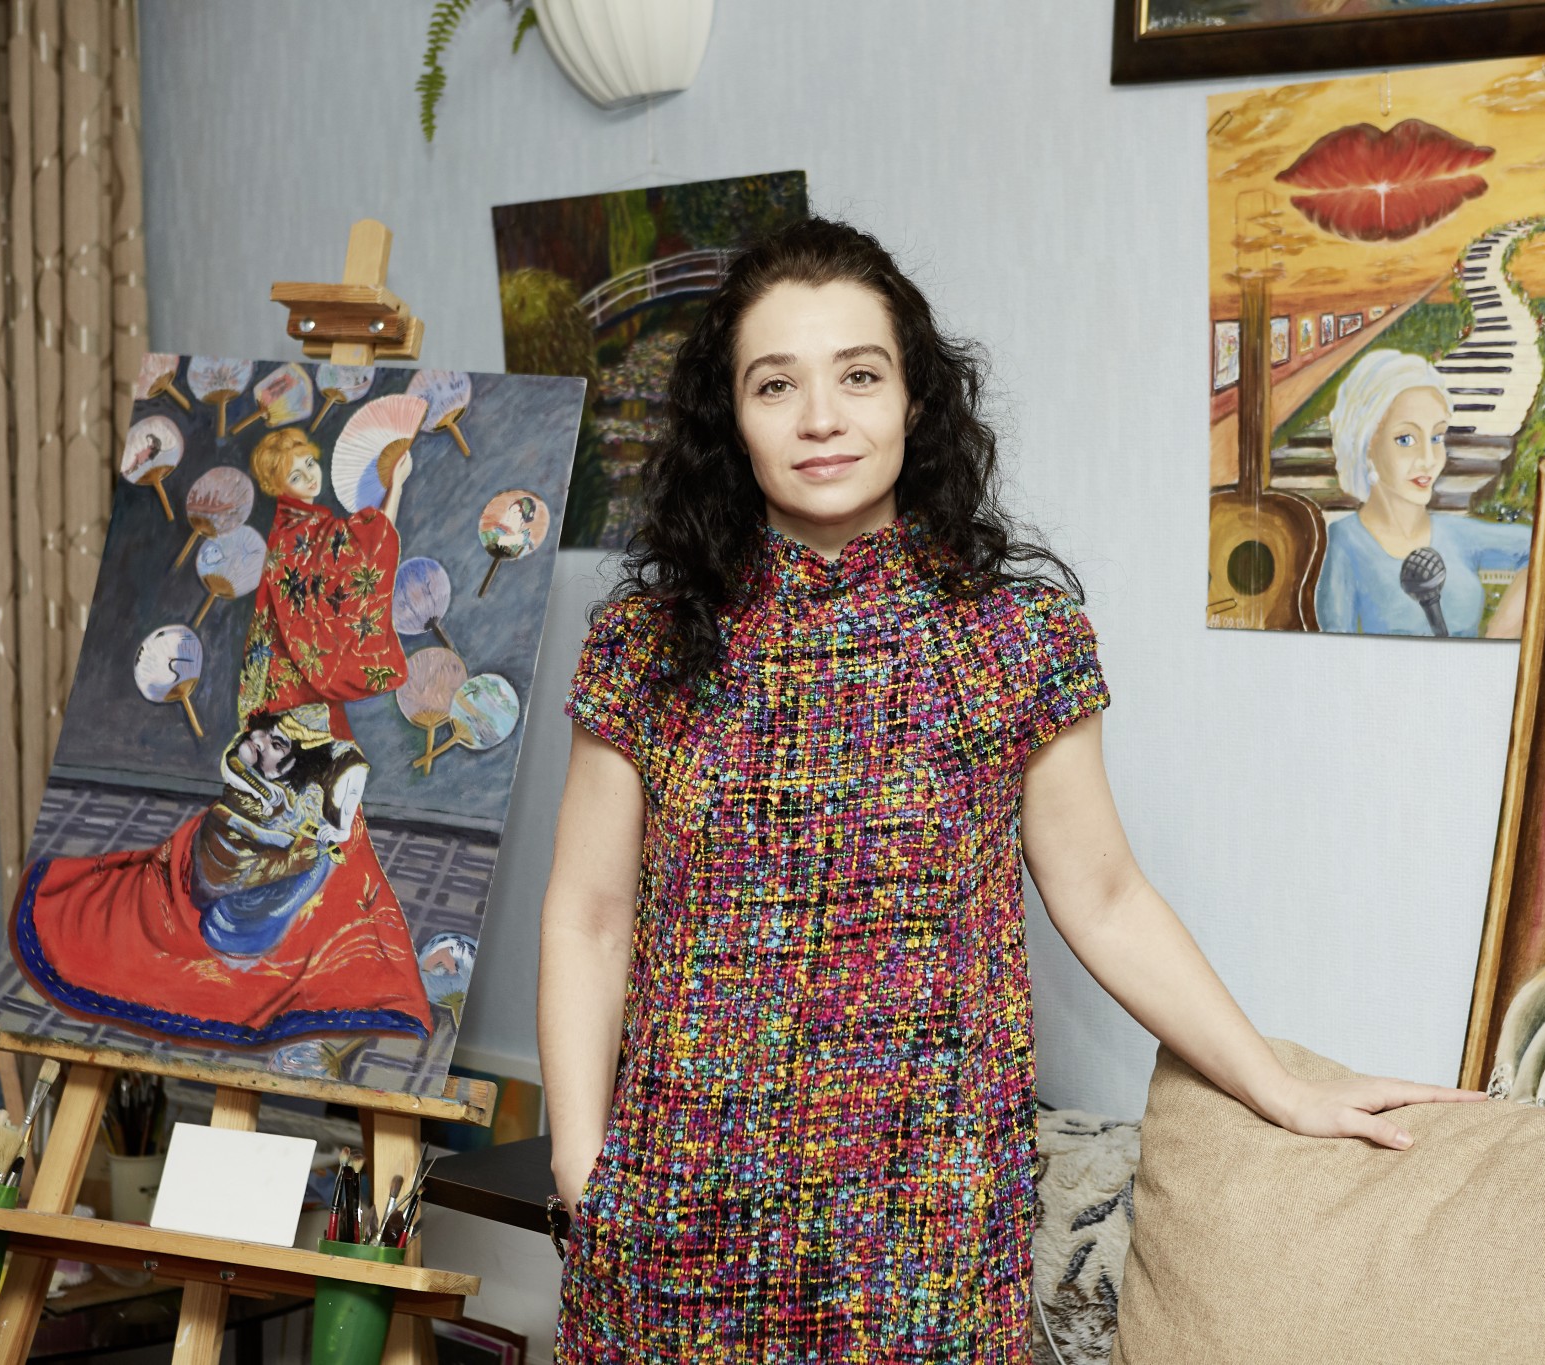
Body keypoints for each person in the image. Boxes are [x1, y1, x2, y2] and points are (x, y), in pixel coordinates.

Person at [536, 219, 1485, 1361]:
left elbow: (1106, 897)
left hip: (922, 1238)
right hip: (674, 1225)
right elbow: (588, 917)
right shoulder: (647, 643)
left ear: (915, 401)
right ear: (730, 421)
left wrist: (1278, 1086)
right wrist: (582, 1167)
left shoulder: (1013, 636)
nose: (821, 416)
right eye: (775, 384)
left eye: (859, 375)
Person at [11, 427, 431, 1048]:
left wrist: (389, 495)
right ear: (277, 482)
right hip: (293, 708)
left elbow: (350, 568)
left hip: (293, 700)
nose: (310, 476)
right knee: (306, 819)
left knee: (324, 820)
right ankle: (317, 963)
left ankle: (343, 955)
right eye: (297, 470)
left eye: (311, 465)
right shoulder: (299, 534)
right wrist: (394, 492)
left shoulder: (306, 530)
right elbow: (355, 573)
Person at [1313, 349, 1533, 638]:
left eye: (1437, 437)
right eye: (1406, 439)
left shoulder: (1457, 534)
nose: (1429, 459)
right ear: (1366, 445)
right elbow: (1334, 650)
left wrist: (1498, 636)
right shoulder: (1342, 543)